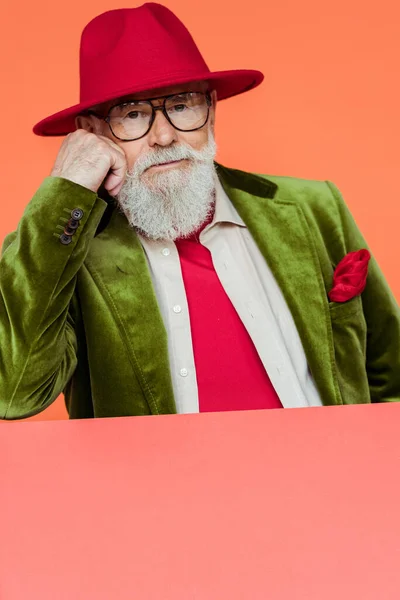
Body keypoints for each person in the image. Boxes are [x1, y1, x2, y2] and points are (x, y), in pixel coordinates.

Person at [1, 3, 399, 421]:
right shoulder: (68, 251)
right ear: (92, 132)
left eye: (181, 105)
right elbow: (13, 393)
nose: (164, 135)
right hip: (160, 486)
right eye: (133, 114)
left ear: (211, 110)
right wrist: (69, 187)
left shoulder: (315, 207)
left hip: (324, 479)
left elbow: (391, 376)